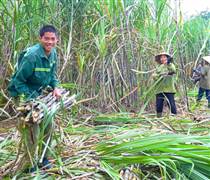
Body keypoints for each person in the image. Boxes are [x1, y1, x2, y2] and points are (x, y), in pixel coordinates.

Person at [7, 25, 62, 172]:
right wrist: (32, 100)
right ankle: (29, 164)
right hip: (22, 93)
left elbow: (52, 76)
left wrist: (55, 87)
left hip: (38, 95)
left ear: (56, 39)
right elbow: (18, 81)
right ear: (40, 38)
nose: (49, 42)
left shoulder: (53, 54)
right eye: (46, 39)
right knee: (33, 129)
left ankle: (44, 158)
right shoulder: (32, 56)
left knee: (49, 125)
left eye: (52, 39)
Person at [153, 52, 177, 117]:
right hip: (159, 89)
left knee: (171, 104)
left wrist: (168, 64)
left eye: (164, 57)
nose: (162, 58)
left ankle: (174, 117)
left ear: (167, 58)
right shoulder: (158, 67)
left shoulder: (171, 65)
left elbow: (173, 70)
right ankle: (159, 117)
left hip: (169, 88)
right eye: (161, 57)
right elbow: (154, 76)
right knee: (159, 104)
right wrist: (160, 75)